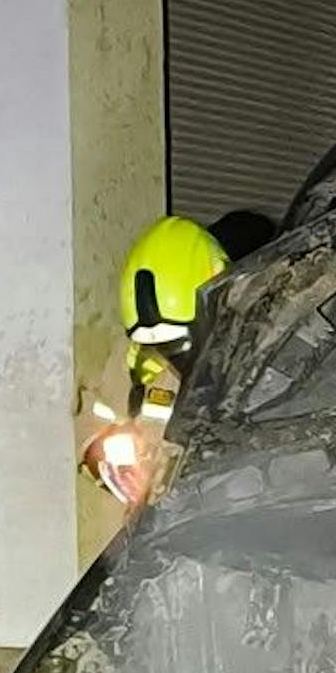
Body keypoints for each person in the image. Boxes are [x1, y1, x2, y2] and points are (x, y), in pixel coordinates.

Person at [78, 210, 273, 506]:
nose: (167, 354)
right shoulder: (137, 356)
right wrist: (106, 459)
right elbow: (93, 420)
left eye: (179, 341)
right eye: (157, 344)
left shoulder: (271, 343)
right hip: (170, 527)